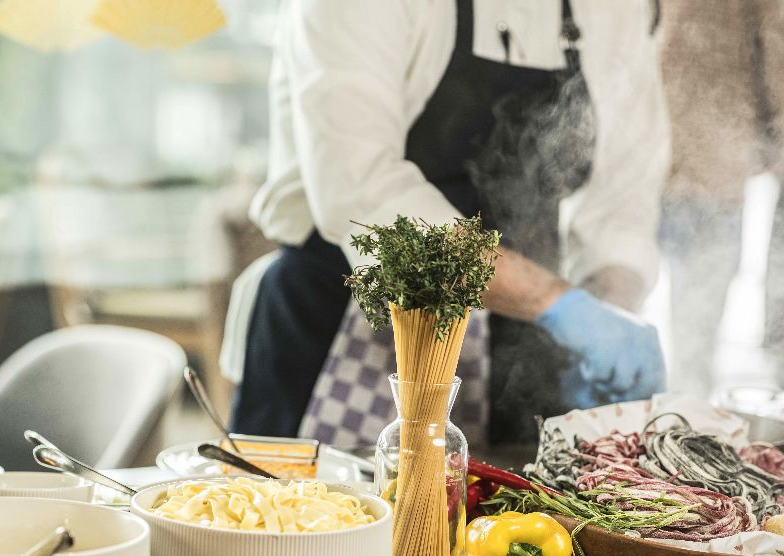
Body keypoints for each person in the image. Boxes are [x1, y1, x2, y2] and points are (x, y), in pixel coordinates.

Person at [226, 0, 669, 445]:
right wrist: (557, 302)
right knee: (309, 509)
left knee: (513, 511)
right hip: (348, 321)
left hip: (524, 342)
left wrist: (606, 313)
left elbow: (624, 196)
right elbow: (363, 190)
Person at [657, 1, 784, 397]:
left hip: (658, 147)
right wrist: (782, 147)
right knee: (696, 326)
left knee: (641, 296)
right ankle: (682, 421)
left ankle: (649, 413)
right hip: (714, 159)